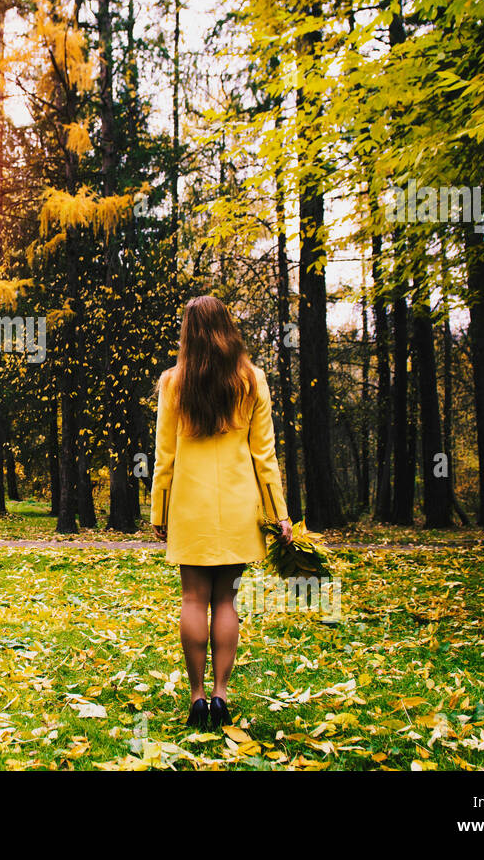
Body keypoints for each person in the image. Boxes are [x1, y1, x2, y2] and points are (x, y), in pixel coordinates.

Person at [150, 295, 292, 731]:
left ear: (187, 335)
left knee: (193, 598)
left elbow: (164, 454)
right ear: (228, 329)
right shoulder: (252, 380)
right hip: (237, 507)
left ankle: (196, 699)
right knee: (226, 600)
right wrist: (279, 512)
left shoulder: (173, 382)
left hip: (190, 507)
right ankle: (221, 696)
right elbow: (263, 454)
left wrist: (160, 508)